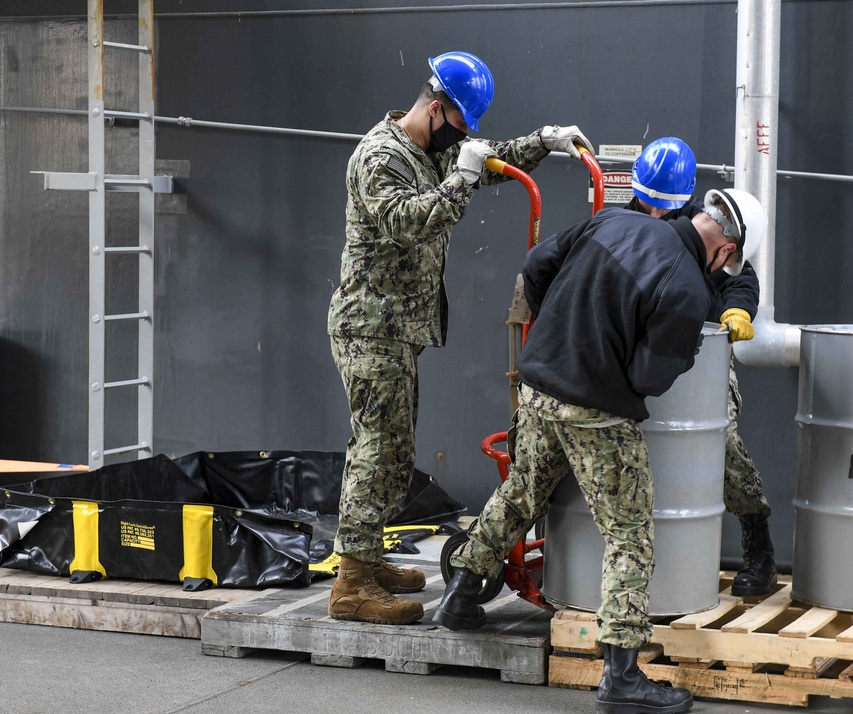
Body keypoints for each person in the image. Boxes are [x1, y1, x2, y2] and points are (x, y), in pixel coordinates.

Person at [435, 136, 767, 714]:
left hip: (539, 384)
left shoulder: (608, 222)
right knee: (630, 536)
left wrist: (562, 329)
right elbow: (649, 376)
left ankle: (461, 596)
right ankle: (622, 679)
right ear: (725, 250)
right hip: (596, 411)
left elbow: (537, 267)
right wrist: (666, 349)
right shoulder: (686, 285)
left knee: (521, 491)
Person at [326, 50, 594, 626]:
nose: (464, 138)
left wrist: (543, 142)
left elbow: (485, 157)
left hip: (394, 330)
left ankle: (365, 561)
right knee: (375, 453)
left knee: (392, 453)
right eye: (461, 125)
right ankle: (351, 585)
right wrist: (465, 177)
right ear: (438, 106)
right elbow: (404, 222)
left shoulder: (428, 146)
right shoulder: (380, 156)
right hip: (369, 328)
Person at [623, 137, 776, 597]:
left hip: (700, 356)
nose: (655, 214)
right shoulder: (618, 222)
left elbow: (740, 276)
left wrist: (739, 310)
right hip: (634, 356)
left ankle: (759, 549)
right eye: (649, 203)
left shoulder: (701, 225)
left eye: (664, 205)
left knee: (722, 444)